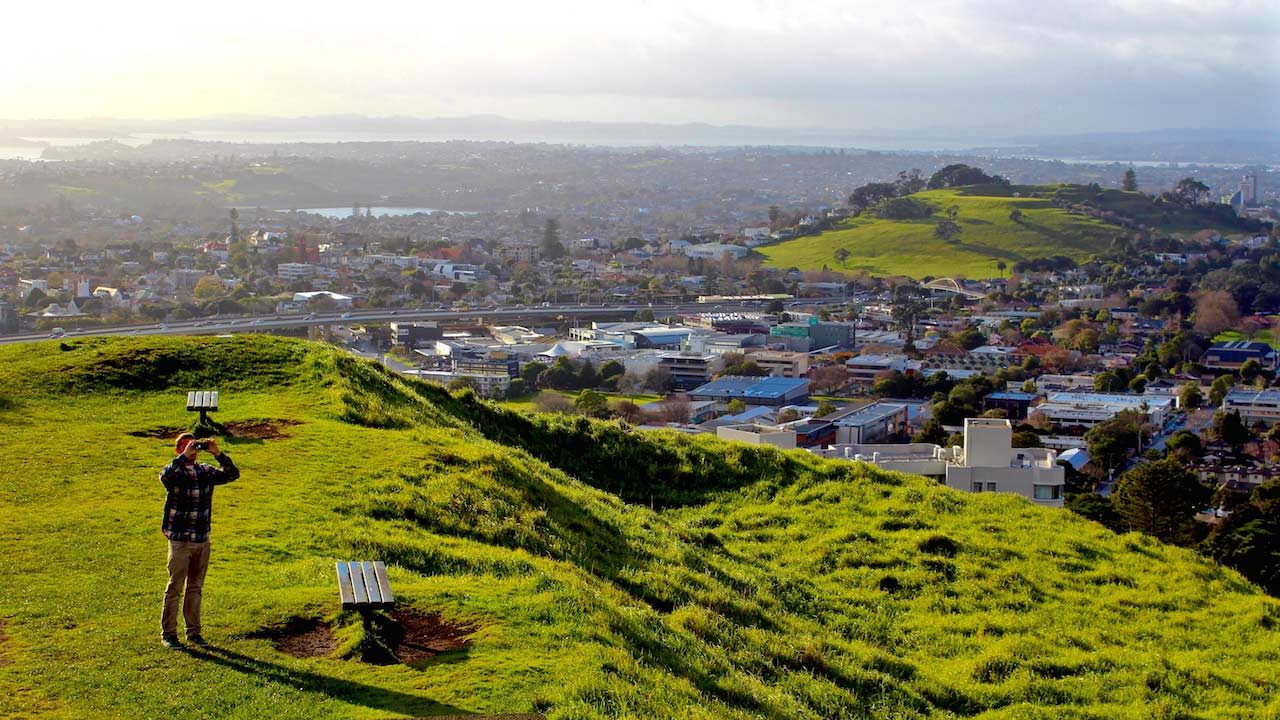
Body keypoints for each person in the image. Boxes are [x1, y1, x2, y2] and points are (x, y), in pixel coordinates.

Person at [159, 433, 239, 649]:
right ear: (179, 450)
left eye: (195, 445)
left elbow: (232, 475)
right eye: (188, 446)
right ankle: (169, 634)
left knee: (195, 587)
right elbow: (165, 477)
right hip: (180, 540)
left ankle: (193, 633)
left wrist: (218, 453)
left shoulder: (205, 470)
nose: (193, 449)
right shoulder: (174, 470)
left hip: (202, 539)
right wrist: (184, 457)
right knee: (175, 587)